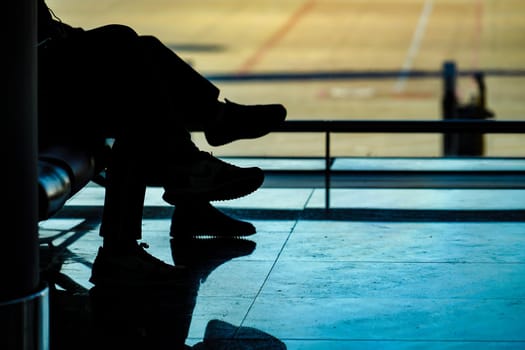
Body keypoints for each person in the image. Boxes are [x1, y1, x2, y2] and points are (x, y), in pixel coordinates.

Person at [37, 0, 287, 285]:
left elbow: (47, 40)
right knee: (135, 70)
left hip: (39, 91)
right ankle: (210, 136)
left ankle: (190, 179)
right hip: (31, 103)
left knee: (143, 69)